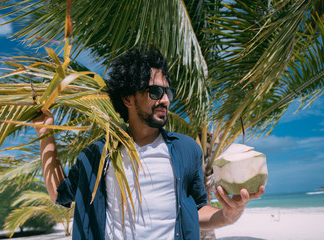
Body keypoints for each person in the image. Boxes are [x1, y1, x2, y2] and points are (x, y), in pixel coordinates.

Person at [33, 45, 265, 240]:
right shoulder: (98, 153)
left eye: (168, 92)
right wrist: (45, 132)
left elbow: (195, 211)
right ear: (127, 98)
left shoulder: (187, 150)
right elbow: (60, 194)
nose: (164, 99)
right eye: (155, 91)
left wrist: (229, 214)